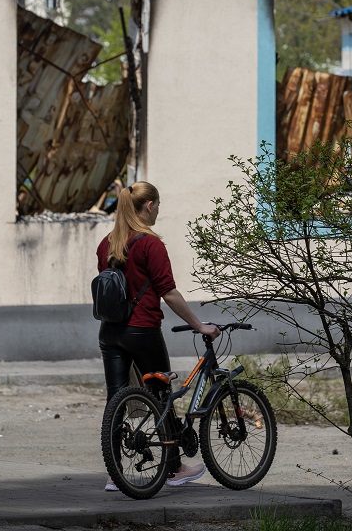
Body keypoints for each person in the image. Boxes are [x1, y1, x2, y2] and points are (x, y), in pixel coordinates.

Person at [97, 181, 220, 491]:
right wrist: (198, 325)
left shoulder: (107, 244)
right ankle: (175, 469)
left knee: (116, 400)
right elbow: (169, 293)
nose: (157, 213)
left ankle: (115, 474)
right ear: (149, 206)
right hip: (142, 330)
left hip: (110, 332)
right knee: (161, 394)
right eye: (158, 207)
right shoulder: (151, 244)